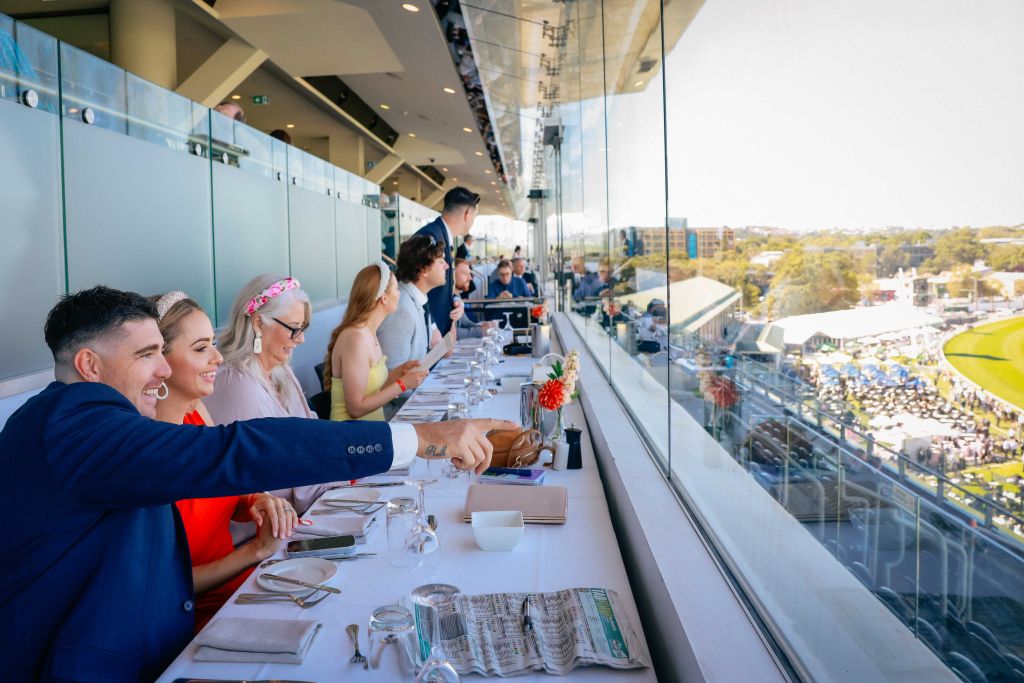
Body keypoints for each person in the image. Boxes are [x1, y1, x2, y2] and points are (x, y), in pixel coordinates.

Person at [0, 286, 509, 682]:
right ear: (90, 365)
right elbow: (238, 450)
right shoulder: (72, 425)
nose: (163, 369)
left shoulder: (77, 426)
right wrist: (417, 438)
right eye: (145, 355)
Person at [150, 291, 296, 631]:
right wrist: (254, 551)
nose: (218, 357)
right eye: (201, 348)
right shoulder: (145, 451)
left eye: (213, 344)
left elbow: (226, 487)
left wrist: (257, 500)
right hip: (193, 620)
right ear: (159, 361)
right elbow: (163, 586)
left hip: (243, 591)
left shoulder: (196, 413)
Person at [325, 262, 427, 420]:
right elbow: (355, 408)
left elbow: (373, 390)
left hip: (373, 429)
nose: (399, 294)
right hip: (352, 433)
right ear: (384, 298)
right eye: (396, 289)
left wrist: (399, 373)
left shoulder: (368, 333)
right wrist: (402, 385)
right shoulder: (355, 338)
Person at [378, 236, 450, 370]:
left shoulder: (417, 300)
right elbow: (392, 370)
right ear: (424, 269)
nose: (447, 266)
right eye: (441, 261)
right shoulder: (400, 308)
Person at [415, 186, 479, 335]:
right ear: (467, 214)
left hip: (441, 333)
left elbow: (442, 286)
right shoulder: (430, 237)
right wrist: (432, 327)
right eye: (474, 216)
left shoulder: (443, 236)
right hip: (428, 334)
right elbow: (415, 287)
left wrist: (456, 299)